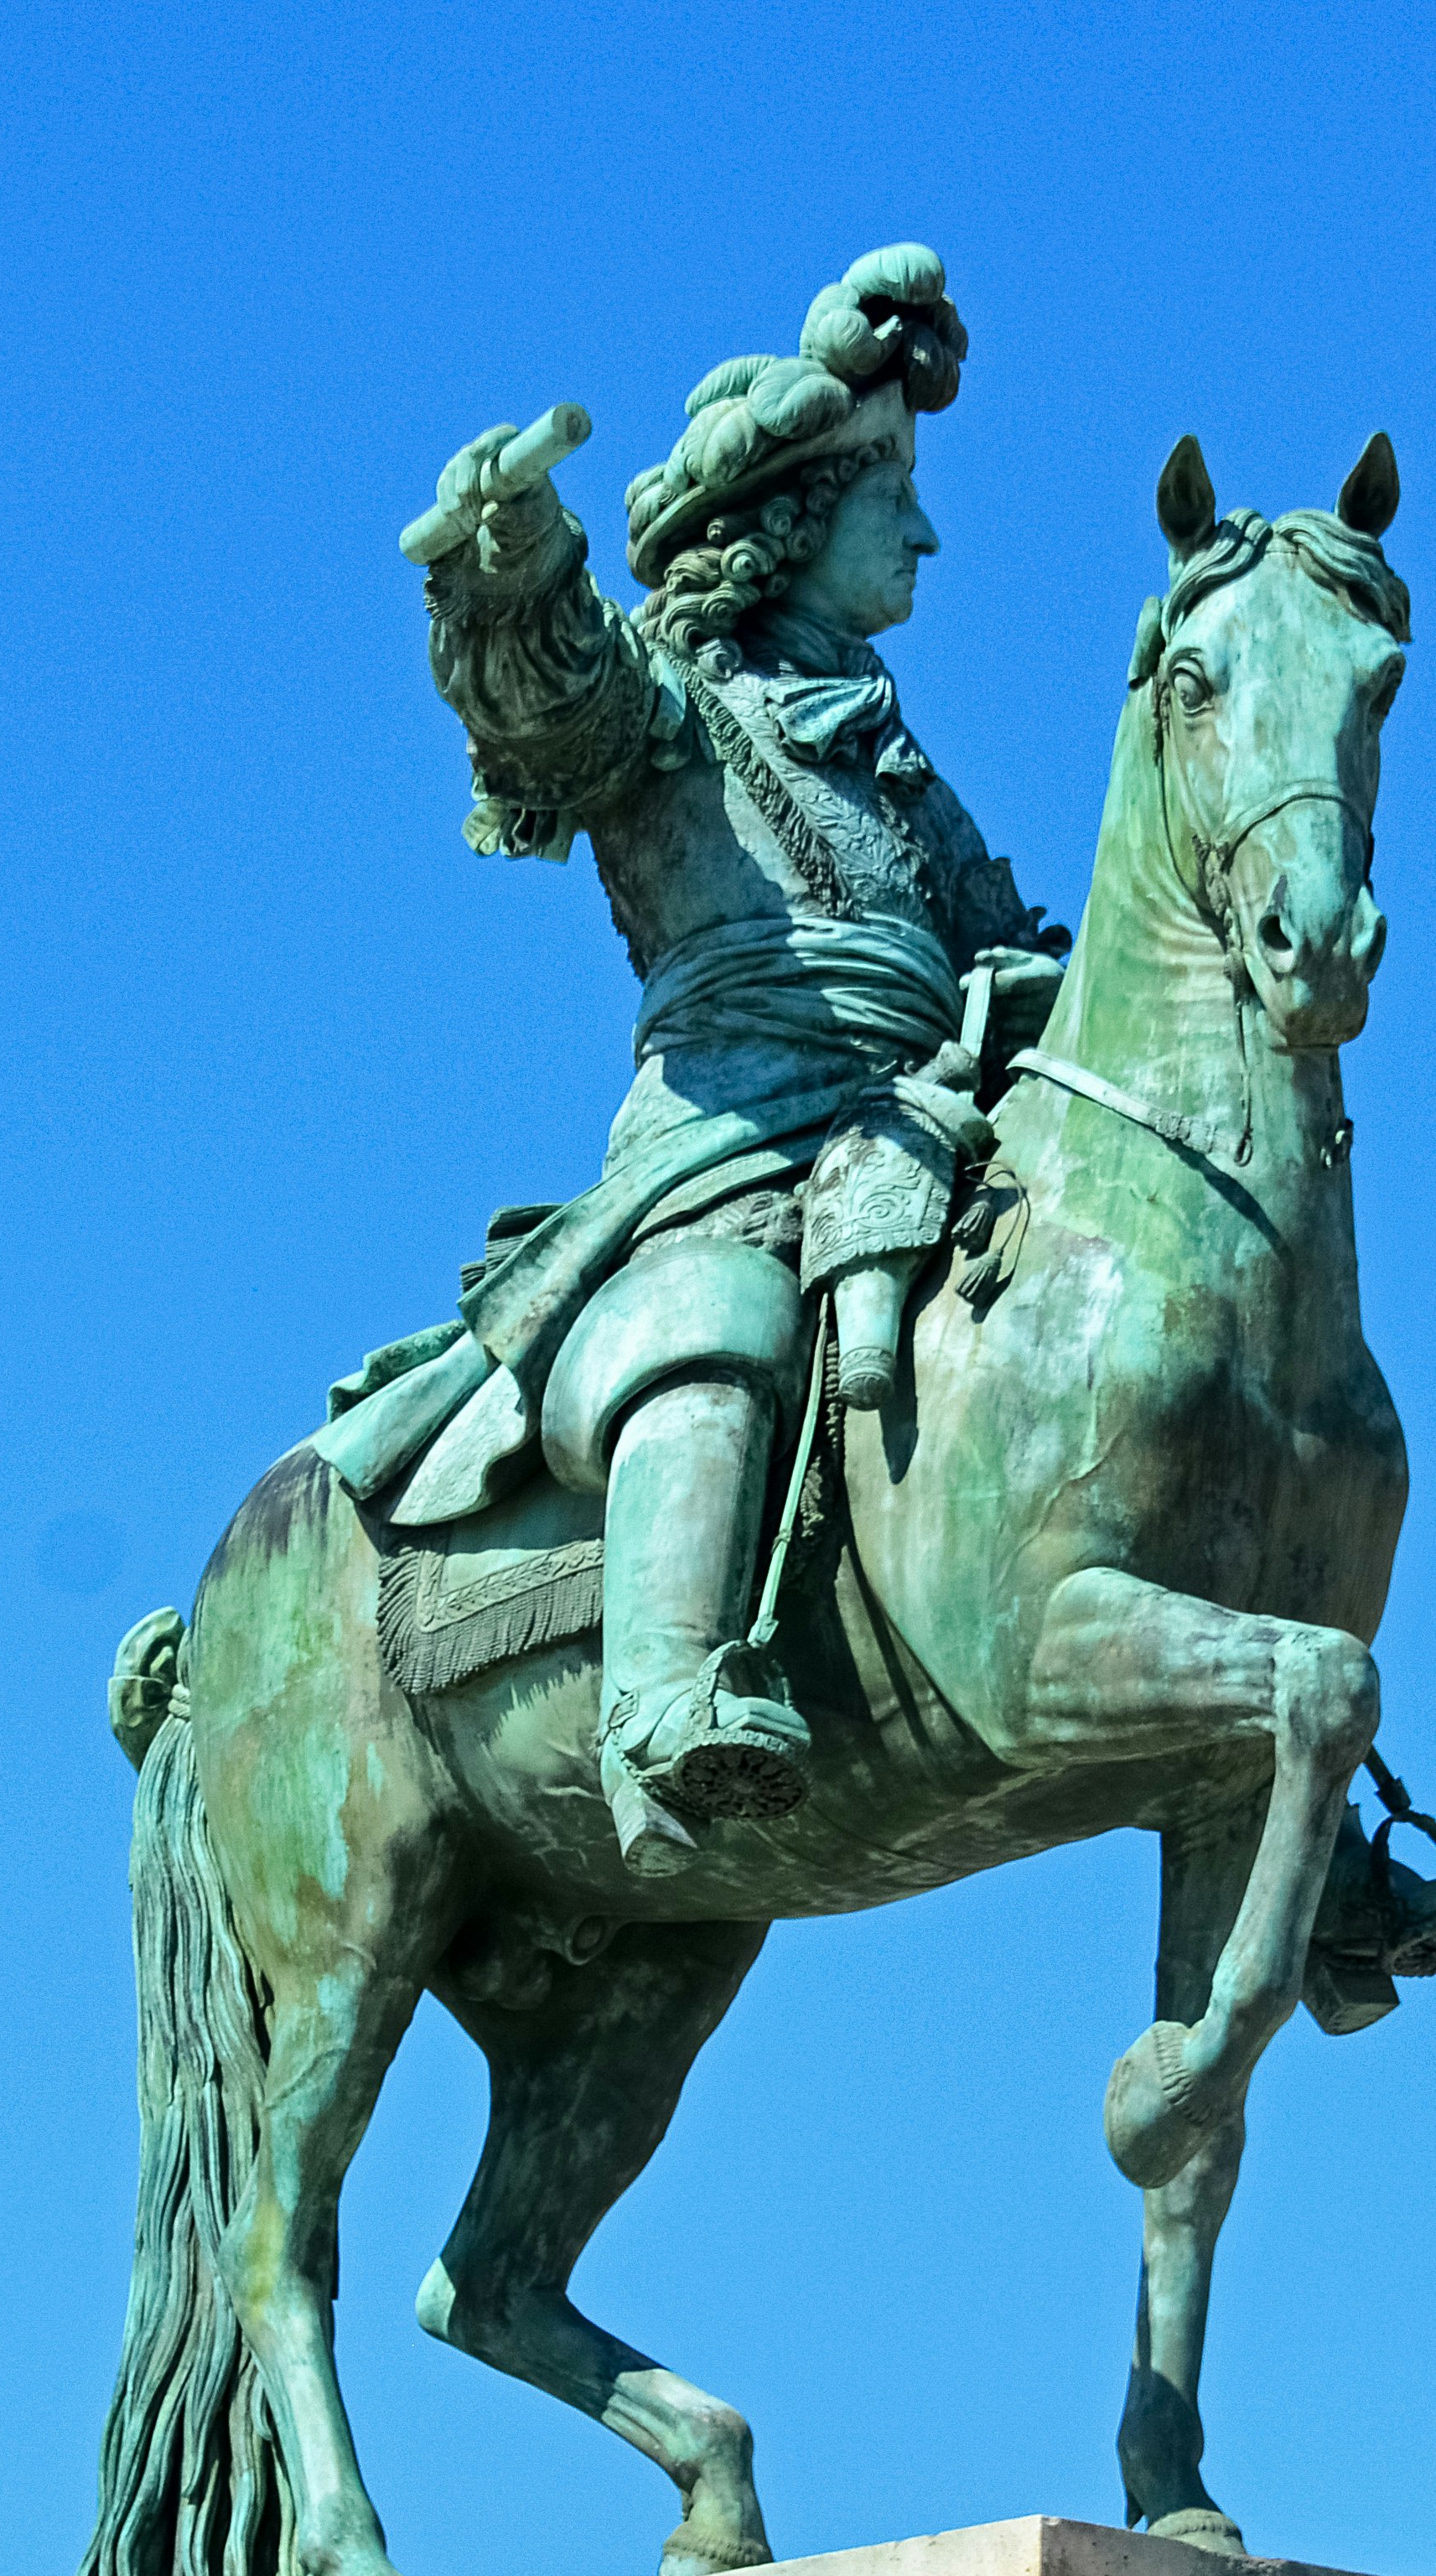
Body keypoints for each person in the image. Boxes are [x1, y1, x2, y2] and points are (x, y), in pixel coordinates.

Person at [389, 244, 1070, 1876]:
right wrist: (513, 563)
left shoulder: (904, 769)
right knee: (721, 1310)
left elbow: (1015, 953)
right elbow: (549, 705)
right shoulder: (676, 705)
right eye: (886, 495)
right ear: (787, 520)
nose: (923, 530)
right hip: (734, 1136)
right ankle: (664, 1699)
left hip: (923, 1120)